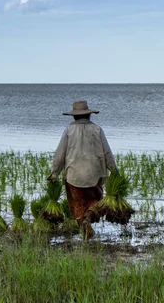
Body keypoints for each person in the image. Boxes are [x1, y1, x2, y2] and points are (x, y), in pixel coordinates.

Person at [47, 100, 116, 240]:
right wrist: (114, 171)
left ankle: (84, 230)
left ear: (74, 116)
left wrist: (54, 173)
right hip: (94, 175)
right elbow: (107, 152)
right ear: (89, 115)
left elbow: (59, 154)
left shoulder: (68, 130)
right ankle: (88, 221)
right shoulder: (97, 130)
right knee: (96, 201)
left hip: (73, 176)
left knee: (77, 205)